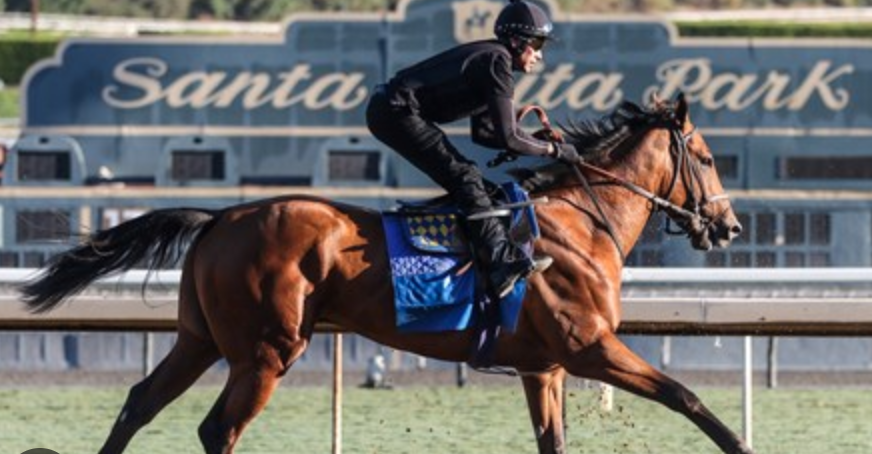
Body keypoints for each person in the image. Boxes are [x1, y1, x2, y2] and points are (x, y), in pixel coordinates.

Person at [366, 0, 580, 299]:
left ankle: (478, 256)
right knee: (465, 176)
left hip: (393, 110)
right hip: (395, 111)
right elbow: (508, 137)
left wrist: (532, 144)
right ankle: (500, 264)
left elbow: (485, 134)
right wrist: (555, 151)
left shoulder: (493, 61)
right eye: (538, 44)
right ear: (518, 41)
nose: (540, 55)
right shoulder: (497, 62)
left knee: (477, 186)